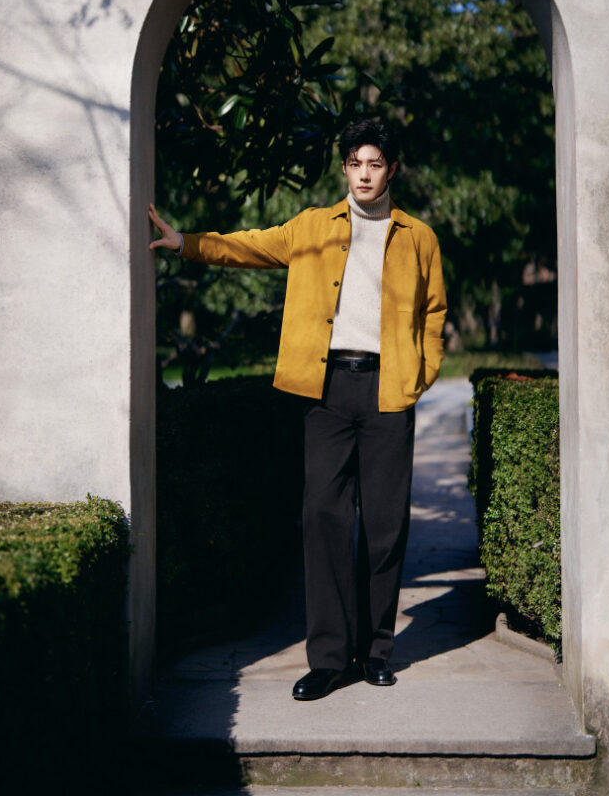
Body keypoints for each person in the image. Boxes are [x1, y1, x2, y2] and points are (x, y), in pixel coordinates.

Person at [149, 118, 447, 700]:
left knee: (385, 527)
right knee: (324, 520)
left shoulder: (419, 238)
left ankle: (375, 652)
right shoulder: (312, 227)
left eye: (375, 164)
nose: (365, 175)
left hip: (388, 392)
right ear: (345, 169)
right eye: (355, 164)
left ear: (392, 169)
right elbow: (250, 246)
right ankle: (329, 660)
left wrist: (421, 373)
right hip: (325, 393)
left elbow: (434, 312)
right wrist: (186, 242)